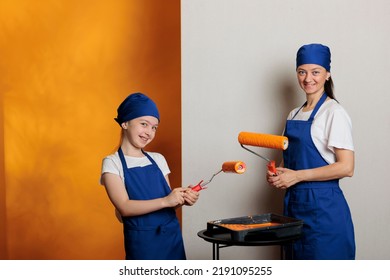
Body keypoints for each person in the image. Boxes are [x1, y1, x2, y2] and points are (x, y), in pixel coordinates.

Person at [267, 44, 355, 260]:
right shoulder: (293, 114)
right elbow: (287, 161)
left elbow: (347, 167)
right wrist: (278, 174)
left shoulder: (334, 112)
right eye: (302, 72)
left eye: (315, 72)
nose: (308, 78)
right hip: (294, 207)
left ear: (327, 74)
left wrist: (296, 176)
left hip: (324, 210)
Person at [100, 92, 199, 260]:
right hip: (143, 245)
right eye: (144, 124)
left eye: (154, 127)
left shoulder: (158, 159)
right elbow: (124, 207)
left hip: (172, 240)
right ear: (125, 123)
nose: (149, 132)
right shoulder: (112, 163)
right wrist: (167, 200)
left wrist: (181, 198)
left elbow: (167, 205)